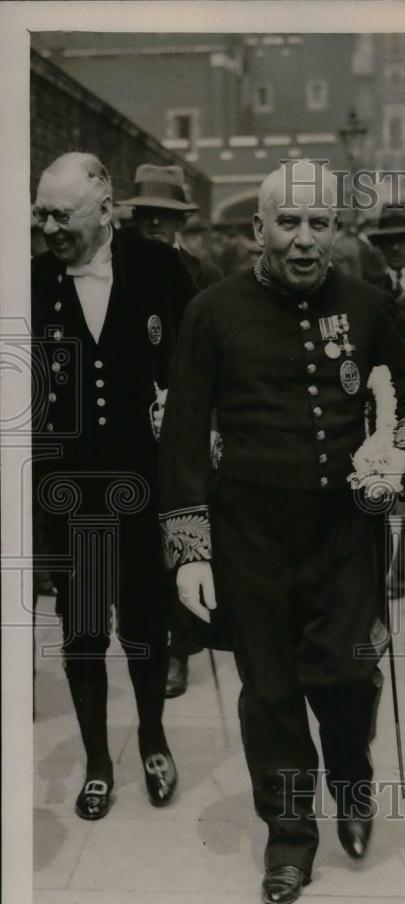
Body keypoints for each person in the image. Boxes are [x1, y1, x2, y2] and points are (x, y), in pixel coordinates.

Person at [158, 160, 405, 904]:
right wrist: (189, 550)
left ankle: (352, 773)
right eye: (289, 223)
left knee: (343, 673)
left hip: (345, 532)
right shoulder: (211, 313)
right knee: (269, 692)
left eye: (319, 224)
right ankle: (289, 835)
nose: (305, 240)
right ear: (258, 231)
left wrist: (399, 455)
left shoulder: (370, 308)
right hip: (250, 535)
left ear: (336, 230)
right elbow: (181, 439)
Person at [31, 152, 195, 820]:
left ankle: (153, 734)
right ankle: (98, 760)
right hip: (71, 498)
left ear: (104, 209)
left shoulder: (158, 271)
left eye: (59, 214)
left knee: (147, 626)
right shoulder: (29, 282)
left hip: (146, 491)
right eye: (39, 213)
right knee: (83, 632)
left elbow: (192, 368)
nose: (46, 227)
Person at [121, 165, 224, 698]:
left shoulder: (201, 277)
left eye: (164, 219)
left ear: (180, 221)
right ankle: (152, 639)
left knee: (181, 526)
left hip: (183, 418)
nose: (155, 228)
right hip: (130, 423)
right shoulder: (118, 271)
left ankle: (181, 649)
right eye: (146, 219)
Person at [121, 163, 224, 292]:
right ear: (136, 218)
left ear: (180, 221)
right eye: (147, 212)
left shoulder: (206, 277)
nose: (155, 221)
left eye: (164, 213)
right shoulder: (115, 268)